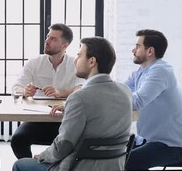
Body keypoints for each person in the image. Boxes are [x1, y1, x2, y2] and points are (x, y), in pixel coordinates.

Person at [13, 37, 133, 171]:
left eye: (79, 55)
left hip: (78, 167)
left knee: (20, 165)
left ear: (92, 61)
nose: (75, 60)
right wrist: (69, 108)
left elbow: (63, 145)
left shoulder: (79, 98)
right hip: (114, 166)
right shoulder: (125, 92)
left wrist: (42, 156)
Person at [10, 23, 84, 159]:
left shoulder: (75, 64)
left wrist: (61, 92)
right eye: (48, 37)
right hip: (37, 119)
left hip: (65, 120)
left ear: (65, 45)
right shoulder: (34, 62)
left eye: (53, 39)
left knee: (74, 143)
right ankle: (29, 167)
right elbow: (16, 87)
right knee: (17, 140)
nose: (47, 41)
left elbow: (82, 89)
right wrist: (25, 92)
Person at [125, 29, 182, 170]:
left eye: (138, 46)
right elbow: (120, 90)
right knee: (116, 155)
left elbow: (136, 102)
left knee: (125, 161)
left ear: (150, 51)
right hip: (150, 141)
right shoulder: (138, 73)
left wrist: (109, 98)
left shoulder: (161, 71)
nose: (133, 50)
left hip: (173, 146)